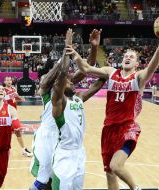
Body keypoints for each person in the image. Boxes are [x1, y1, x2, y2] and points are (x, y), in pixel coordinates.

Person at [66, 31, 159, 190]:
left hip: (127, 128)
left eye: (132, 56)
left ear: (137, 64)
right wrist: (74, 53)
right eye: (126, 55)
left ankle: (136, 188)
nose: (128, 57)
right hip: (109, 129)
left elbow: (151, 68)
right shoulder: (111, 72)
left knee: (116, 166)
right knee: (109, 172)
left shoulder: (138, 78)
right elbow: (86, 68)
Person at [29, 28, 102, 190]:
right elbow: (62, 70)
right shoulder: (47, 85)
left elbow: (85, 69)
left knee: (54, 180)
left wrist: (94, 47)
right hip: (46, 136)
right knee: (43, 180)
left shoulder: (66, 85)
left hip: (62, 138)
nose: (69, 77)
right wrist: (67, 49)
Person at [51, 42, 105, 190]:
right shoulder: (59, 102)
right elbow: (62, 76)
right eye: (68, 81)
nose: (72, 82)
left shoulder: (78, 98)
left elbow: (97, 84)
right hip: (65, 154)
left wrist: (95, 49)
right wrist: (68, 49)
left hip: (80, 152)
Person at [3, 76, 33, 157]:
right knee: (6, 134)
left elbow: (14, 99)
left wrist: (20, 99)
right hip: (6, 114)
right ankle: (5, 150)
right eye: (7, 80)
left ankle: (24, 150)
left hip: (14, 114)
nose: (9, 81)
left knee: (18, 132)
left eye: (10, 80)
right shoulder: (3, 90)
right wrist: (12, 95)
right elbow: (2, 100)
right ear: (5, 82)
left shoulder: (13, 89)